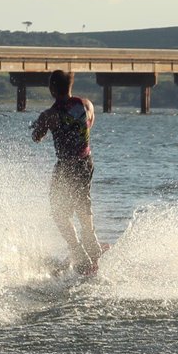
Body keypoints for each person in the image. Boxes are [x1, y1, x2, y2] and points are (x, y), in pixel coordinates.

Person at [30, 69, 103, 272]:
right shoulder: (86, 105)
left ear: (52, 88)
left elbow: (37, 137)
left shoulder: (49, 115)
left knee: (58, 212)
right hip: (86, 162)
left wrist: (37, 125)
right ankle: (93, 245)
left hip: (66, 166)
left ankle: (78, 252)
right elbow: (88, 125)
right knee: (83, 204)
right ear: (70, 86)